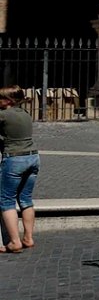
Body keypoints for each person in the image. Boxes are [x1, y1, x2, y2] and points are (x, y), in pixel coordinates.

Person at [0, 86, 38, 253]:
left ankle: (14, 242)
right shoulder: (25, 114)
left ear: (8, 101)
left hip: (15, 158)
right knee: (26, 199)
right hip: (33, 157)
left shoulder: (4, 115)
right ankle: (28, 237)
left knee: (6, 200)